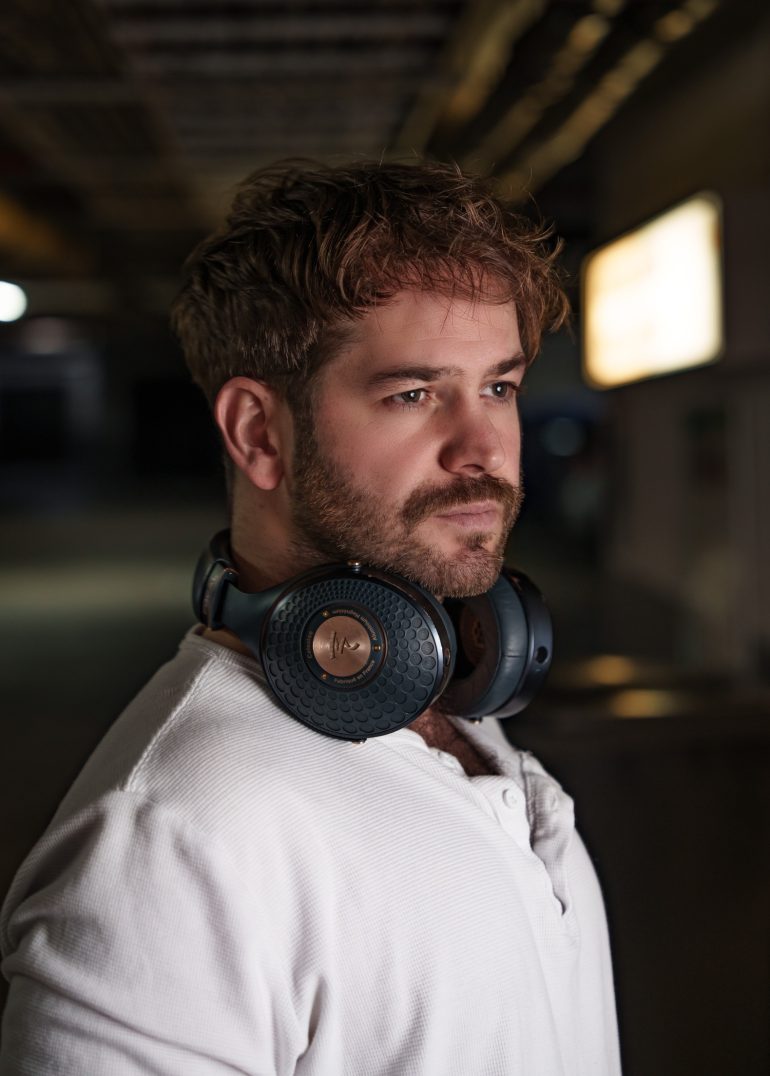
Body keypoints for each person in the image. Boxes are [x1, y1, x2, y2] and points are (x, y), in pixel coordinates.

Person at [0, 161, 621, 1074]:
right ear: (260, 432)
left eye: (499, 387)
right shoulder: (172, 845)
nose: (484, 448)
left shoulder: (445, 700)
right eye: (413, 394)